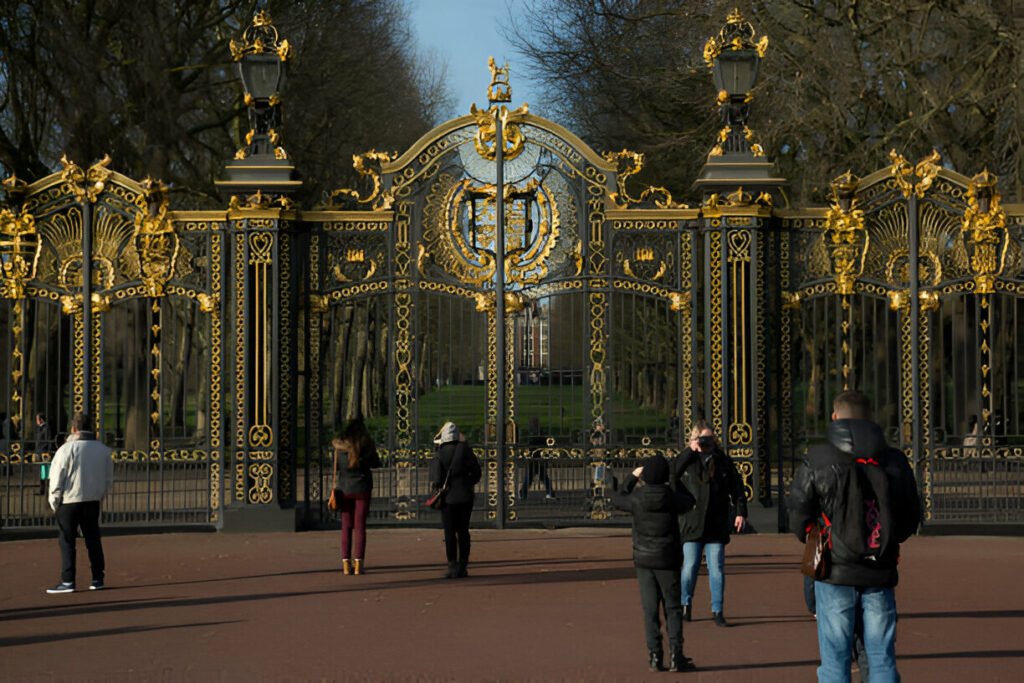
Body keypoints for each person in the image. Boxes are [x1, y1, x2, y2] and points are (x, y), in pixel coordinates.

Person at [789, 390, 921, 683]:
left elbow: (798, 510)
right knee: (881, 657)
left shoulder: (818, 458)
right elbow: (911, 515)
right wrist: (889, 540)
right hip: (880, 568)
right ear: (870, 418)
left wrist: (813, 535)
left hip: (835, 568)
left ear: (835, 417)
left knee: (835, 660)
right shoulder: (895, 460)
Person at [610, 454, 697, 673]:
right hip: (668, 558)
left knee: (650, 610)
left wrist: (631, 477)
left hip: (644, 559)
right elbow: (690, 501)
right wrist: (675, 479)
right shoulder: (671, 497)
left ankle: (655, 656)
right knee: (673, 608)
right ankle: (677, 655)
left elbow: (617, 498)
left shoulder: (637, 498)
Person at [670, 420, 748, 627]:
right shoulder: (687, 459)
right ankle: (685, 604)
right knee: (690, 566)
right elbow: (671, 475)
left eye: (710, 438)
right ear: (694, 438)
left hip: (716, 521)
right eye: (703, 438)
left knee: (717, 568)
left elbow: (737, 488)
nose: (707, 442)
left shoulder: (723, 461)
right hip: (692, 521)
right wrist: (690, 451)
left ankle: (717, 609)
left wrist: (740, 512)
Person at [46, 412, 113, 594]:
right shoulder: (103, 450)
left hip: (69, 500)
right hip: (92, 499)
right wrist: (100, 496)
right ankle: (98, 578)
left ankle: (68, 580)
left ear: (73, 428)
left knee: (67, 540)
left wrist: (54, 501)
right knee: (93, 539)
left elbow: (56, 478)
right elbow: (108, 479)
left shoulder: (67, 449)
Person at [428, 421, 481, 579]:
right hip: (465, 495)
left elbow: (436, 478)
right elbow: (477, 472)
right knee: (464, 531)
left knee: (449, 532)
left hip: (447, 497)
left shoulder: (440, 452)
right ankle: (463, 565)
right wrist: (467, 482)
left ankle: (452, 564)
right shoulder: (465, 450)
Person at [331, 417, 380, 576]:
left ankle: (346, 564)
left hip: (345, 490)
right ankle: (359, 563)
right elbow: (376, 463)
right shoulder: (366, 445)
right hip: (362, 488)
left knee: (346, 526)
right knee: (360, 527)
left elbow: (336, 466)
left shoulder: (339, 447)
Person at [519, 416, 555, 500]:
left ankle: (523, 493)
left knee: (532, 478)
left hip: (536, 459)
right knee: (538, 478)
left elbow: (533, 445)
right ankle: (550, 493)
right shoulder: (538, 433)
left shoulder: (535, 434)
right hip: (537, 459)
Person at [35, 413, 53, 496]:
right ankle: (42, 489)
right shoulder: (39, 428)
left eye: (37, 419)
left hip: (44, 452)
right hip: (40, 451)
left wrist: (48, 451)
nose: (36, 421)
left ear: (41, 420)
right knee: (42, 472)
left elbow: (48, 440)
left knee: (46, 472)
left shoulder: (46, 428)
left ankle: (46, 490)